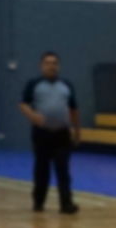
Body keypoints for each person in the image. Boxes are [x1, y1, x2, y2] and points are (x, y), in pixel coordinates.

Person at [20, 51, 80, 214]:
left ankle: (66, 204)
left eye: (54, 63)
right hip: (42, 133)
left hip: (62, 133)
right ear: (42, 65)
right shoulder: (34, 84)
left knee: (63, 170)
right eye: (48, 63)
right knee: (42, 169)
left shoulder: (66, 85)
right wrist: (32, 115)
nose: (51, 66)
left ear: (58, 66)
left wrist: (76, 130)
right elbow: (23, 104)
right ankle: (38, 202)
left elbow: (74, 109)